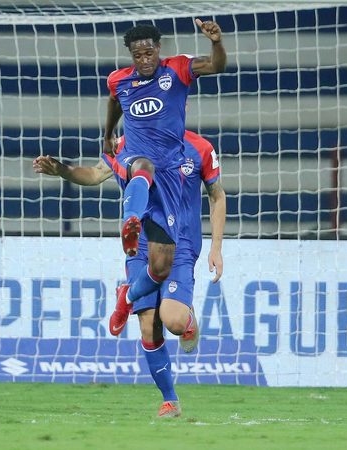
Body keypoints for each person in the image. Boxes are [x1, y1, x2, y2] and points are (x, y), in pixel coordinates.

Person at [33, 130, 225, 418]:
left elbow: (217, 196)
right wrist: (62, 170)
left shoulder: (199, 148)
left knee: (173, 321)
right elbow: (95, 174)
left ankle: (182, 315)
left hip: (181, 245)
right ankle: (170, 400)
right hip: (142, 244)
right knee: (148, 325)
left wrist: (216, 248)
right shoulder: (124, 144)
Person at [104, 20, 226, 337]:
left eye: (149, 53)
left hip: (168, 178)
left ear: (158, 48)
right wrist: (108, 134)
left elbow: (216, 66)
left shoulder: (178, 69)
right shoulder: (119, 79)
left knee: (169, 313)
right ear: (131, 55)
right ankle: (130, 221)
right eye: (137, 55)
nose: (144, 60)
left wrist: (216, 43)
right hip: (136, 162)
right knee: (142, 165)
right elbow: (114, 100)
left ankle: (127, 297)